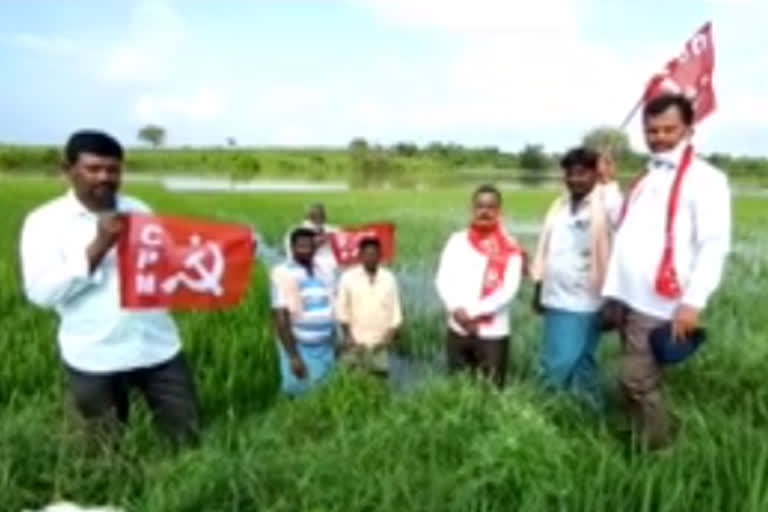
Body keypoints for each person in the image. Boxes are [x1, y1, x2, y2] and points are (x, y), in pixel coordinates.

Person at [19, 130, 200, 445]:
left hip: (157, 345)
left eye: (113, 170)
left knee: (186, 435)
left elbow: (168, 261)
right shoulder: (44, 222)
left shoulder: (139, 210)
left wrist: (225, 252)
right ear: (68, 170)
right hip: (95, 354)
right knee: (105, 446)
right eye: (93, 169)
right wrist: (99, 246)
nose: (104, 177)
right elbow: (41, 293)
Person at [601, 93, 731, 449]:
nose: (658, 137)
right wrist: (610, 184)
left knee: (636, 379)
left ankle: (658, 452)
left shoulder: (706, 180)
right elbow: (621, 223)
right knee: (635, 376)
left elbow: (713, 245)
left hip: (660, 301)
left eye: (668, 130)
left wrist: (693, 302)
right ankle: (638, 434)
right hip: (628, 294)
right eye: (651, 130)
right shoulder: (648, 175)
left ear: (689, 128)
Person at [529, 147, 623, 411]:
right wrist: (539, 288)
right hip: (556, 296)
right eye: (570, 173)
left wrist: (610, 182)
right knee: (576, 361)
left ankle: (544, 411)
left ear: (595, 174)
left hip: (587, 298)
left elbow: (622, 221)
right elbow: (545, 249)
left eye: (583, 173)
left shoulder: (605, 203)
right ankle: (582, 415)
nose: (575, 179)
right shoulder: (558, 206)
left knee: (562, 362)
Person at [435, 184, 524, 388]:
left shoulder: (510, 246)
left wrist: (472, 313)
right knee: (457, 388)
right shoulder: (457, 241)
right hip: (457, 327)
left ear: (499, 212)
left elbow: (509, 290)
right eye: (480, 206)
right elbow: (443, 278)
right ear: (472, 210)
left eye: (490, 207)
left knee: (492, 392)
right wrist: (455, 309)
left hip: (493, 333)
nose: (484, 212)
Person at [271, 227, 337, 396]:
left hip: (325, 346)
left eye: (310, 246)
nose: (307, 250)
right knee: (300, 392)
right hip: (301, 347)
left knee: (324, 392)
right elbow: (281, 319)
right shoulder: (283, 273)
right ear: (292, 248)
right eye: (302, 246)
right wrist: (293, 357)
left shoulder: (322, 270)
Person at [336, 237, 403, 377]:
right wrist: (348, 337)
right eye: (367, 254)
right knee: (352, 381)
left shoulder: (388, 278)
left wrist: (388, 338)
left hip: (380, 343)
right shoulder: (348, 277)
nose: (371, 258)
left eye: (374, 254)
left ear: (380, 256)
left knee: (379, 381)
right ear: (360, 256)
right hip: (355, 342)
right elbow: (342, 311)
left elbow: (395, 313)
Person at [283, 203, 340, 291]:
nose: (318, 219)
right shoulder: (295, 233)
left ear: (324, 218)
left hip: (331, 274)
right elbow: (292, 256)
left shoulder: (333, 231)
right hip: (306, 273)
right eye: (314, 216)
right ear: (308, 217)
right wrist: (315, 245)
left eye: (320, 216)